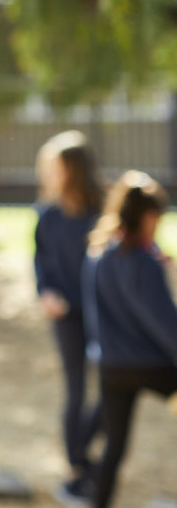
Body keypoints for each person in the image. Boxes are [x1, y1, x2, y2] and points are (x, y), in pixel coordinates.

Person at [85, 170, 177, 508]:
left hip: (112, 365)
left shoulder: (99, 255)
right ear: (146, 216)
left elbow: (95, 313)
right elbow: (163, 322)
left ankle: (98, 501)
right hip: (150, 364)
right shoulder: (142, 263)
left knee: (113, 448)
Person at [33, 131, 104, 505]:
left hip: (103, 312)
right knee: (75, 388)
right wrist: (45, 293)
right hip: (66, 315)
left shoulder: (102, 210)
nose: (49, 173)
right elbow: (40, 262)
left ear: (74, 169)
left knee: (112, 388)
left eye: (56, 167)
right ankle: (77, 466)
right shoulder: (47, 214)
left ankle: (81, 451)